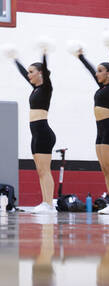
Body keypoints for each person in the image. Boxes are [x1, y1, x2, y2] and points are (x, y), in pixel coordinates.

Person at [75, 42, 109, 216]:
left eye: (100, 70)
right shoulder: (102, 87)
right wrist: (81, 57)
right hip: (100, 131)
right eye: (97, 71)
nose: (97, 74)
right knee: (105, 170)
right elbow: (91, 72)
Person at [10, 48, 57, 213]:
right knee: (40, 171)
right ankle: (45, 202)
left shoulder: (46, 88)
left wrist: (44, 53)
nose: (28, 75)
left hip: (44, 133)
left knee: (45, 170)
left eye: (32, 72)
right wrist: (15, 59)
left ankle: (49, 204)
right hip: (36, 134)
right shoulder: (35, 88)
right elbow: (24, 74)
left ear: (40, 73)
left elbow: (45, 71)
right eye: (28, 72)